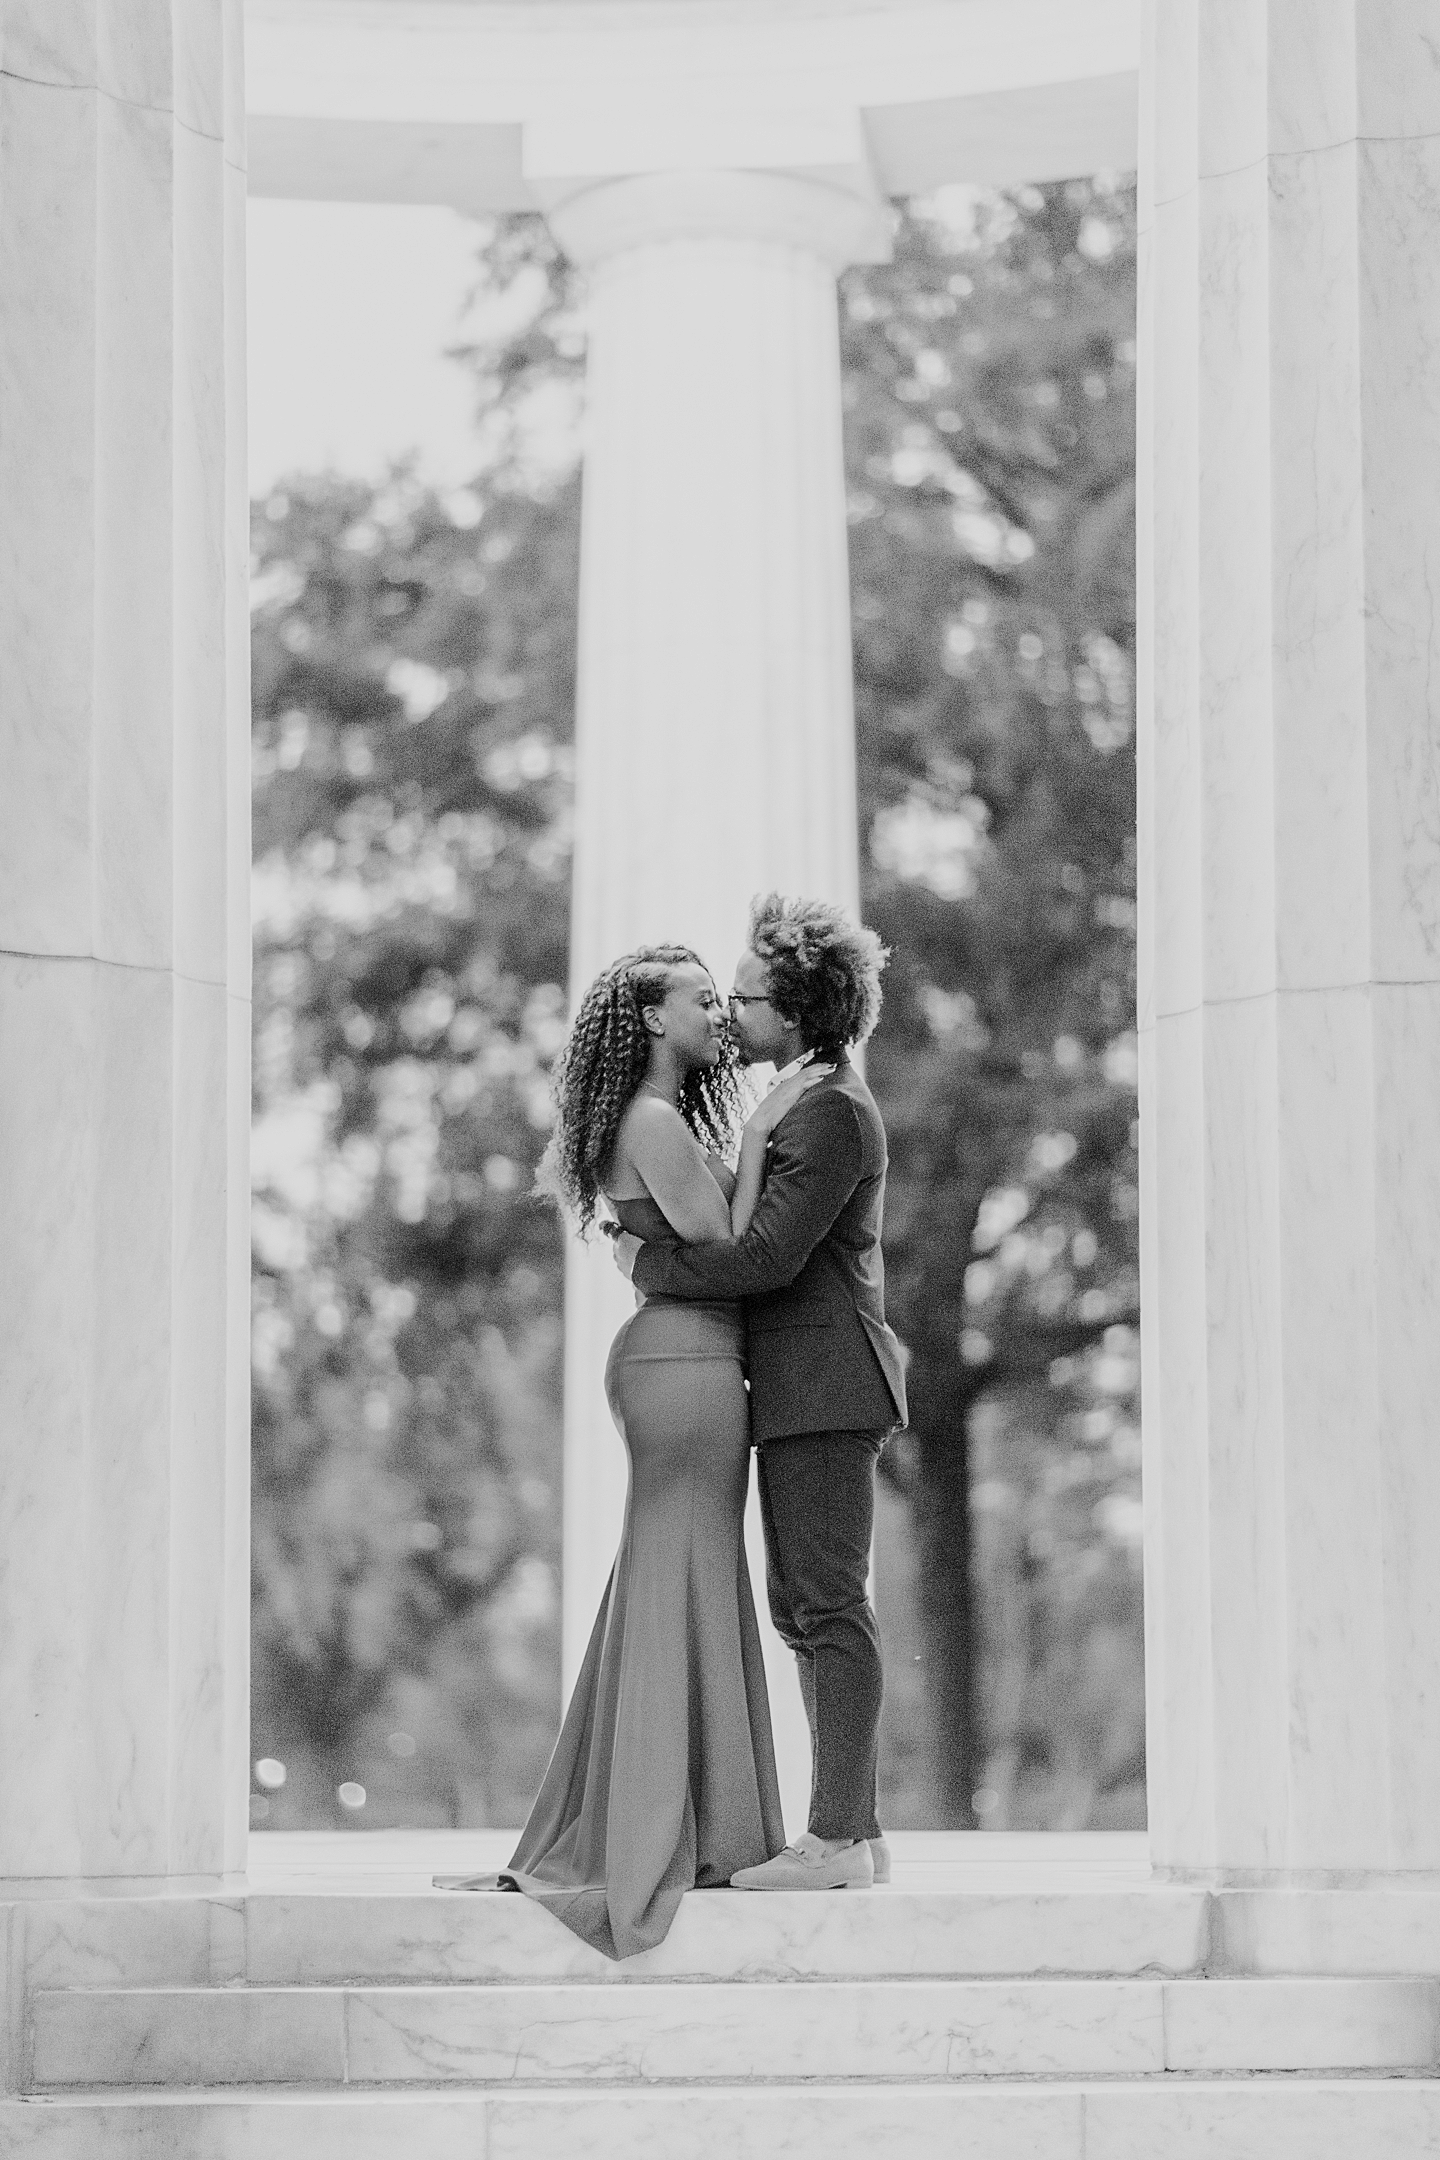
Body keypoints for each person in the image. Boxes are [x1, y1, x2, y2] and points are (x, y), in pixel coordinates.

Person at [436, 943, 828, 1959]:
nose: (718, 1015)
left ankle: (681, 1816)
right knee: (678, 1577)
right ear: (653, 1020)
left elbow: (695, 1241)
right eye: (701, 1000)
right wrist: (765, 1138)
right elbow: (734, 1249)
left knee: (678, 1577)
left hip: (684, 1360)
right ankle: (663, 1827)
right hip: (684, 1364)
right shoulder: (654, 1123)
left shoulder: (648, 1121)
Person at [612, 895, 907, 1892]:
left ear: (801, 1009)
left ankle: (839, 1842)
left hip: (825, 1384)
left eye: (748, 998)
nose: (732, 1015)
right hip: (794, 1387)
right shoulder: (796, 1093)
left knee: (827, 1608)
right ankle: (849, 1835)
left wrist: (642, 1259)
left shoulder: (830, 1111)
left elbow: (769, 1256)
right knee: (806, 1609)